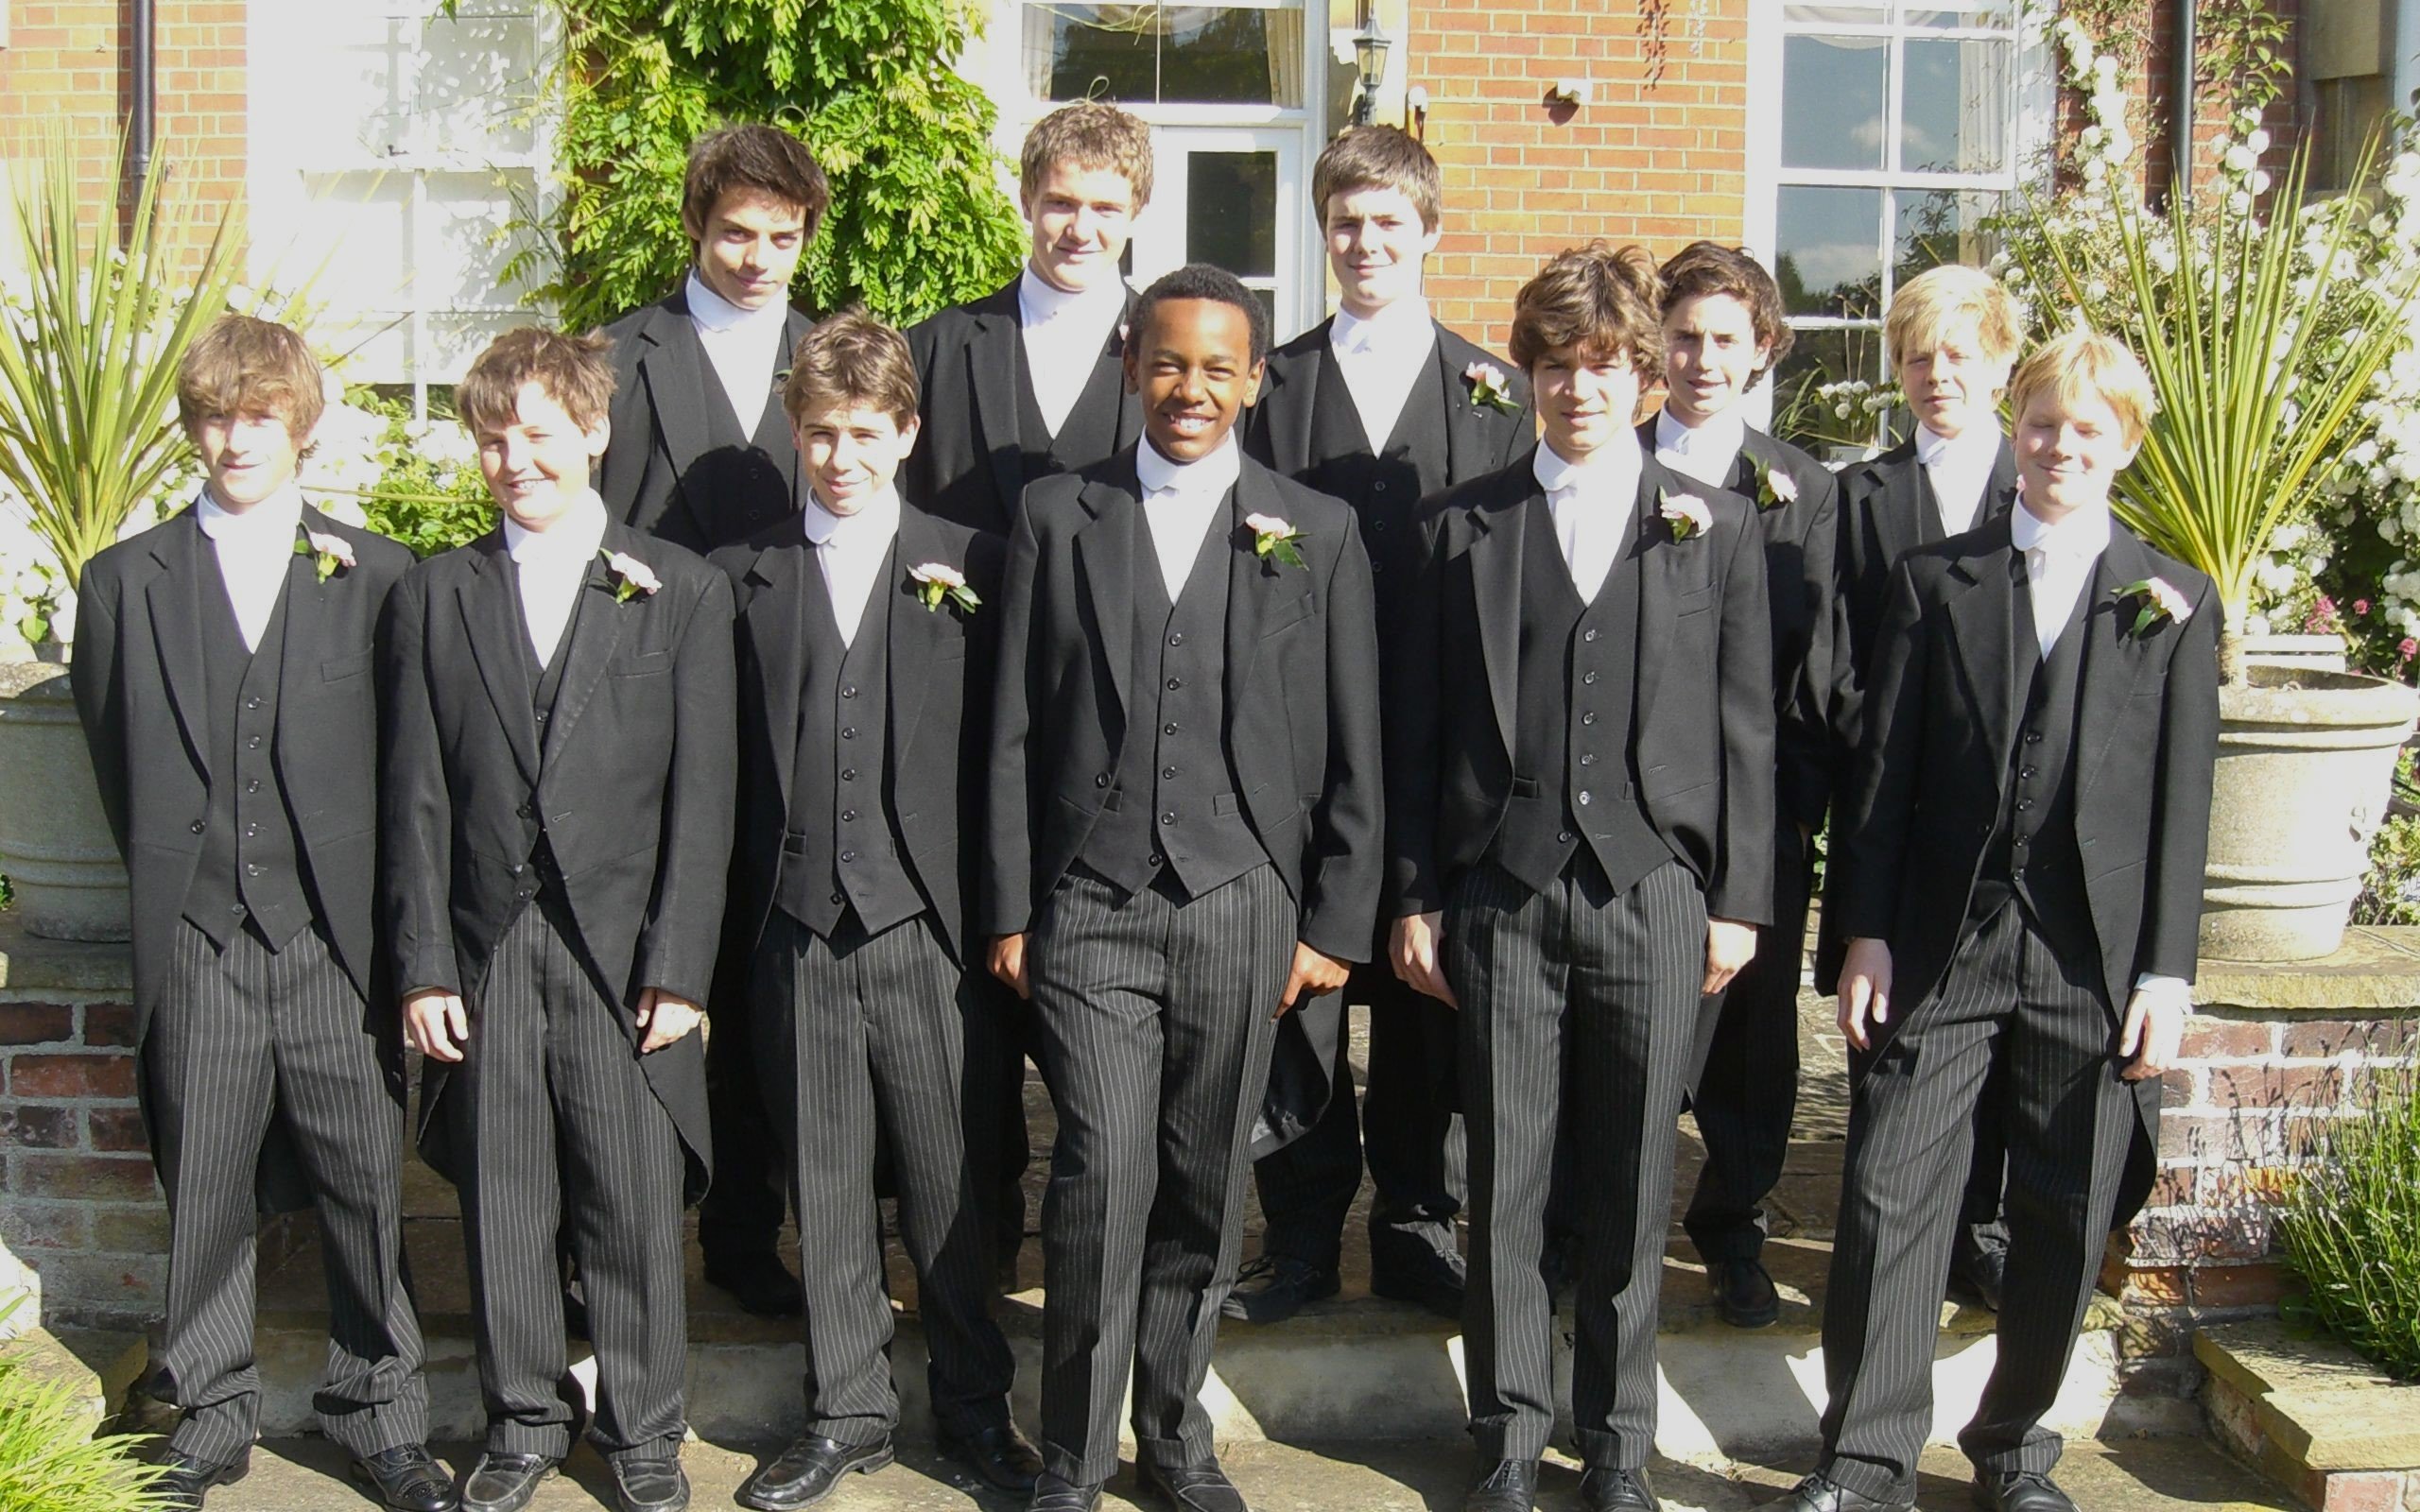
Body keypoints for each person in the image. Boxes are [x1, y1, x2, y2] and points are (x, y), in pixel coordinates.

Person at [1787, 329, 2216, 1512]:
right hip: (1943, 934)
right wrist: (1862, 929)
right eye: (2041, 422)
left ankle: (2015, 1453)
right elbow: (1881, 774)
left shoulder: (2170, 599)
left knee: (2064, 1208)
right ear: (2009, 426)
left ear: (2125, 443)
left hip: (2092, 954)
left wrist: (2166, 973)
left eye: (2087, 428)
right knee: (1886, 1188)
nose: (2058, 446)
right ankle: (1862, 1458)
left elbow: (2187, 800)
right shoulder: (1939, 580)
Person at [982, 264, 1384, 1512]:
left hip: (1240, 905)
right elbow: (1008, 729)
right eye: (1167, 362)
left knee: (1205, 1176)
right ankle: (1068, 1447)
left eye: (1218, 366)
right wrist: (1008, 904)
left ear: (1256, 380)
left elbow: (1353, 738)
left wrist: (1330, 921)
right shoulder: (1059, 515)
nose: (1190, 388)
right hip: (1090, 903)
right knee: (1100, 1169)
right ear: (1129, 368)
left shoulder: (1315, 530)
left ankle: (1172, 1428)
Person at [1386, 242, 1773, 1512]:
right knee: (1501, 1173)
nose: (1580, 389)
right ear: (1531, 372)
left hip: (1654, 895)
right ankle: (1505, 1432)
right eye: (1557, 366)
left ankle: (1616, 1443)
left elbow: (1745, 731)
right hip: (1501, 892)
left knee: (1628, 1180)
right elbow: (1417, 728)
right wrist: (1415, 893)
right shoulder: (1461, 529)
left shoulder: (1711, 528)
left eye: (1605, 365)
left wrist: (1740, 901)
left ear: (1642, 368)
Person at [71, 315, 450, 1512]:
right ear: (192, 426)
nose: (238, 438)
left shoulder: (379, 572)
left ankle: (382, 1411)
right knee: (208, 1178)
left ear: (303, 423)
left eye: (261, 416)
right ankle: (206, 1407)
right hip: (200, 937)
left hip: (334, 942)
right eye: (216, 416)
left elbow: (410, 771)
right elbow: (114, 750)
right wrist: (193, 890)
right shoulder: (123, 580)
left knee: (358, 1179)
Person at [382, 328, 735, 1512]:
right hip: (487, 942)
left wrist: (681, 969)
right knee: (504, 1193)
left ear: (593, 430)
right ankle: (525, 1416)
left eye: (535, 431)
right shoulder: (437, 592)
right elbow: (417, 792)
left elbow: (706, 801)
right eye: (491, 437)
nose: (512, 459)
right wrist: (425, 961)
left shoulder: (678, 588)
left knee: (629, 1195)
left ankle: (643, 1426)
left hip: (622, 952)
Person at [709, 310, 1040, 1509]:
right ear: (793, 432)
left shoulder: (979, 564)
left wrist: (1004, 918)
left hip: (933, 934)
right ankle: (847, 1408)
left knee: (954, 1182)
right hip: (792, 930)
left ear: (905, 430)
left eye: (861, 432)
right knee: (827, 1181)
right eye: (817, 433)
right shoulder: (738, 576)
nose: (838, 456)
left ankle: (972, 1405)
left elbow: (1016, 754)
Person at [1228, 124, 1532, 1326]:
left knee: (1425, 992)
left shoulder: (1492, 395)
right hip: (1298, 748)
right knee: (1293, 994)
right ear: (1323, 233)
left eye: (1388, 224)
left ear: (1429, 235)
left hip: (1447, 740)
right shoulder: (1273, 383)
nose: (1365, 243)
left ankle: (1416, 1219)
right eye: (1345, 223)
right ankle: (1299, 1228)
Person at [906, 100, 1157, 1282]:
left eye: (1105, 207)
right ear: (1025, 199)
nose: (1080, 225)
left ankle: (1108, 1252)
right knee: (972, 1003)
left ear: (1134, 217)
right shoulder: (939, 347)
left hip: (1111, 738)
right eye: (1061, 200)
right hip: (957, 721)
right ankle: (975, 1238)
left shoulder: (1164, 355)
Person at [596, 122, 831, 1319]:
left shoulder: (825, 359)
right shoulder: (618, 358)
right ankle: (624, 1243)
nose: (755, 256)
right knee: (647, 977)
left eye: (781, 237)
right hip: (647, 731)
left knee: (758, 986)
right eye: (735, 231)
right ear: (696, 226)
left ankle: (747, 1231)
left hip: (789, 728)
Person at [1641, 241, 1839, 1331]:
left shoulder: (1803, 491)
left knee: (1753, 1040)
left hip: (1756, 811)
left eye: (1725, 339)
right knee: (1627, 1029)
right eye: (1683, 335)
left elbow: (1815, 674)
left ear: (1761, 350)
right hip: (1630, 807)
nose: (1701, 358)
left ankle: (1731, 1229)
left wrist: (1782, 818)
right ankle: (1595, 1233)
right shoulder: (1612, 464)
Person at [1824, 262, 2027, 1309]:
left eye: (1956, 352)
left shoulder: (2039, 484)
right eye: (1916, 356)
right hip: (1893, 807)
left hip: (2008, 817)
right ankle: (1893, 1241)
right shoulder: (1861, 498)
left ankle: (1979, 1232)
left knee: (2000, 1028)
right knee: (1891, 1019)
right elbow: (1838, 652)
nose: (1935, 374)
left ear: (1999, 361)